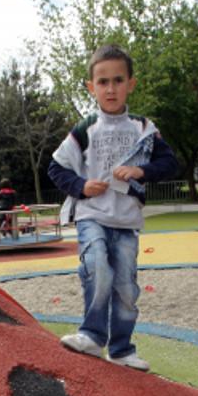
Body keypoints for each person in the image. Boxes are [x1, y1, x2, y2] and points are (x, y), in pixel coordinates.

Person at [48, 44, 179, 372]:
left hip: (126, 220)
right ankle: (92, 334)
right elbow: (57, 168)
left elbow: (169, 163)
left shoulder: (143, 128)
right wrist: (81, 187)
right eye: (103, 82)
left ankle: (121, 348)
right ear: (91, 87)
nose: (110, 88)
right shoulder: (85, 129)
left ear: (130, 84)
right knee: (98, 268)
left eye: (118, 80)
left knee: (125, 285)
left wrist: (141, 171)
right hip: (92, 214)